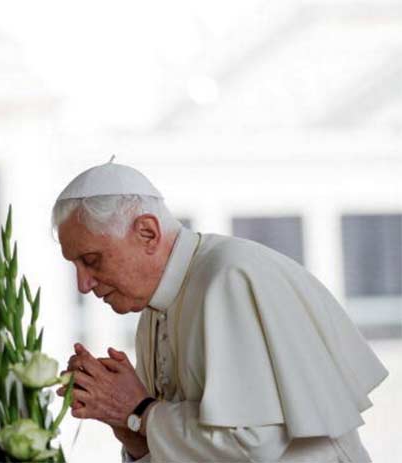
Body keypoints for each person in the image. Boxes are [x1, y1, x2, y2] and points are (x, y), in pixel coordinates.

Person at [53, 159, 388, 462]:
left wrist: (139, 411)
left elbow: (252, 445)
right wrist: (130, 431)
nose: (83, 284)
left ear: (147, 233)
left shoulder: (229, 277)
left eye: (91, 260)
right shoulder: (152, 311)